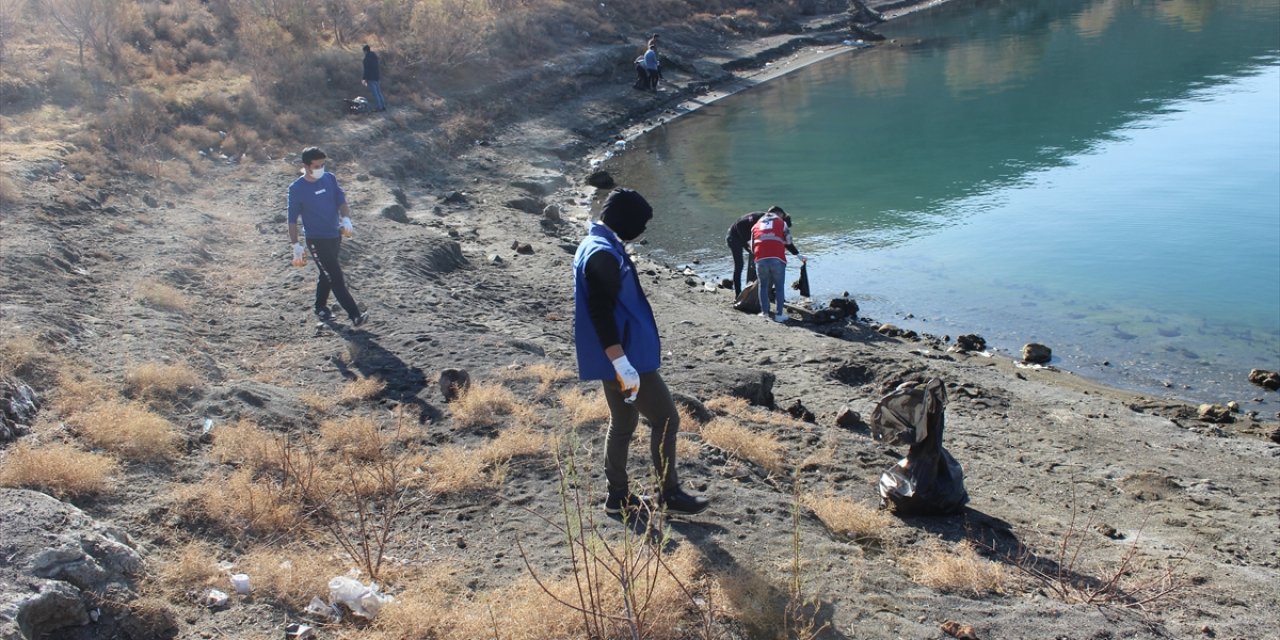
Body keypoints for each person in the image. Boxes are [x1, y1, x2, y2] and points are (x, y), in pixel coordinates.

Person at [573, 188, 709, 516]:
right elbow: (600, 311)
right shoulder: (602, 252)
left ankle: (617, 497)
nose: (643, 230)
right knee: (666, 419)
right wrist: (621, 361)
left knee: (623, 421)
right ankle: (669, 492)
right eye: (641, 223)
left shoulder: (598, 243)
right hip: (625, 357)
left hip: (615, 358)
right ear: (625, 219)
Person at [288, 147, 368, 327]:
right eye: (317, 166)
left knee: (326, 275)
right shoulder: (296, 189)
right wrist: (296, 245)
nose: (321, 169)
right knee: (335, 277)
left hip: (334, 236)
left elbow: (341, 200)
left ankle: (320, 307)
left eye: (323, 165)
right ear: (305, 166)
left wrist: (346, 219)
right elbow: (291, 219)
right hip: (316, 240)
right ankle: (355, 315)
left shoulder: (329, 178)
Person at [726, 206, 800, 296]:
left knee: (760, 260)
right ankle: (738, 293)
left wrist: (797, 254)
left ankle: (754, 290)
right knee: (739, 265)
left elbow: (785, 241)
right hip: (734, 237)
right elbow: (739, 225)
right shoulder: (761, 218)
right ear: (779, 215)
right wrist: (748, 242)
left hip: (747, 238)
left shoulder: (775, 224)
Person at [751, 207, 805, 322]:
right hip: (777, 258)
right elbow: (789, 241)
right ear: (779, 214)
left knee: (763, 286)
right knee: (779, 287)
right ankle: (779, 315)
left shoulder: (756, 224)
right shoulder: (782, 223)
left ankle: (764, 313)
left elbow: (752, 246)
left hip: (760, 258)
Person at [362, 44, 386, 112]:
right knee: (379, 92)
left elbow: (366, 70)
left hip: (370, 78)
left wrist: (364, 79)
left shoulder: (366, 59)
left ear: (365, 51)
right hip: (377, 77)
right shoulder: (375, 57)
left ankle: (379, 107)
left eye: (363, 51)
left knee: (375, 94)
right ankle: (383, 106)